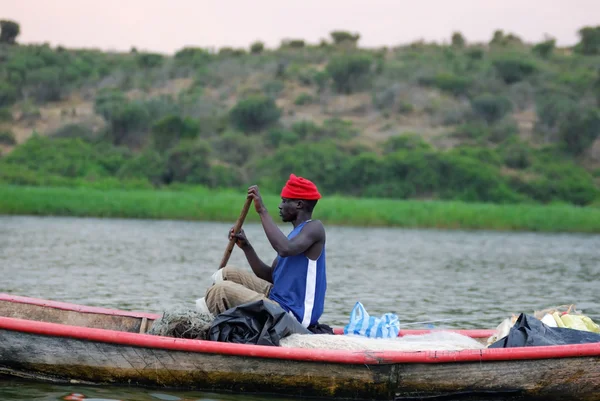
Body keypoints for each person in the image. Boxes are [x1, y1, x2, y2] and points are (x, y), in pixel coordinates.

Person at [198, 174, 327, 328]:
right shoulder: (294, 235)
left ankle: (206, 325)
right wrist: (247, 247)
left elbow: (285, 249)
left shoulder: (314, 228)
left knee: (221, 290)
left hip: (293, 313)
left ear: (299, 204)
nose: (280, 206)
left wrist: (262, 211)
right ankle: (214, 317)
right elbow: (270, 276)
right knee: (228, 273)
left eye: (285, 201)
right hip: (277, 297)